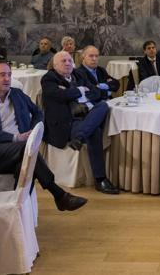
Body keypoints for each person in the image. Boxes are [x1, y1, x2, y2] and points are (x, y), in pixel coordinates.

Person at [0, 60, 87, 211]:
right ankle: (58, 194)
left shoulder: (17, 94)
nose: (7, 79)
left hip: (19, 151)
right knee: (28, 149)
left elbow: (38, 112)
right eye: (2, 75)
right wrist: (17, 138)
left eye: (9, 75)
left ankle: (17, 209)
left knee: (24, 165)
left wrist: (33, 131)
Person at [41, 51, 119, 194]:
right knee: (94, 131)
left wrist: (73, 91)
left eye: (69, 61)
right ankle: (100, 179)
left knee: (103, 105)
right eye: (63, 61)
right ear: (55, 65)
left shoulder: (79, 74)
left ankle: (80, 137)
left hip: (87, 117)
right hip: (67, 122)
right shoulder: (49, 78)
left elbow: (96, 92)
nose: (67, 63)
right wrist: (80, 90)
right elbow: (59, 95)